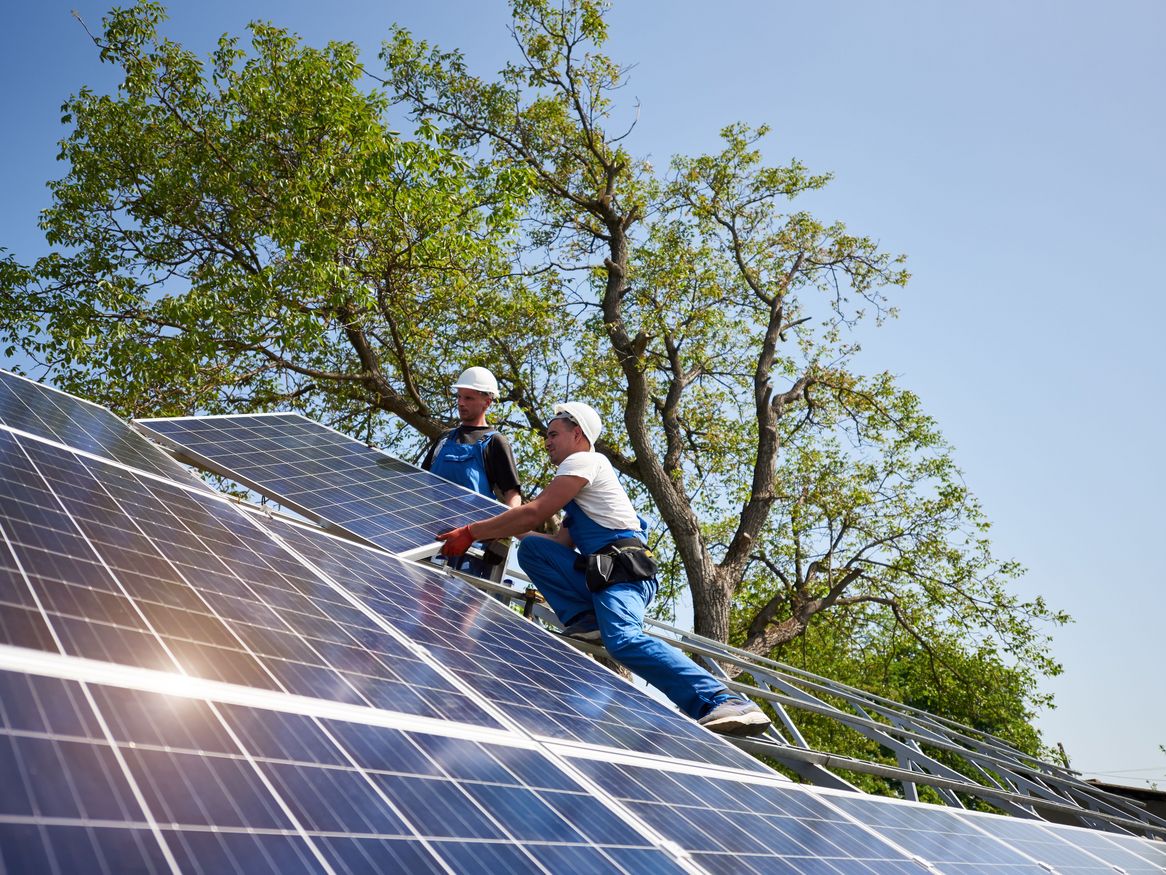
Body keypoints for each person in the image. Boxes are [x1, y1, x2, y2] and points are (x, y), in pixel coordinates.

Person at [436, 401, 771, 736]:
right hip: (603, 575)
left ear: (578, 434)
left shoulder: (585, 461)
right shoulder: (581, 490)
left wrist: (472, 531)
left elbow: (533, 512)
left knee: (623, 640)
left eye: (553, 434)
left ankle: (723, 700)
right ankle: (588, 620)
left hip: (624, 575)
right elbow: (556, 545)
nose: (547, 441)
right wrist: (497, 523)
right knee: (535, 550)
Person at [422, 367, 522, 577]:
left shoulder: (495, 442)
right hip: (428, 539)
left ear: (487, 401)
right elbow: (419, 485)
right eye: (459, 397)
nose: (460, 402)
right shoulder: (443, 439)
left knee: (462, 608)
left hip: (472, 548)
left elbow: (513, 497)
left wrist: (502, 537)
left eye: (468, 397)